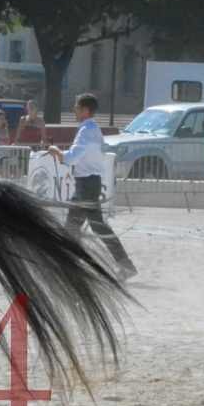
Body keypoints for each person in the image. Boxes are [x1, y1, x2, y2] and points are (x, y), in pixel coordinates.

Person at [47, 92, 136, 279]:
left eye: (77, 107)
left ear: (85, 110)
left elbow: (73, 157)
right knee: (76, 227)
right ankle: (69, 265)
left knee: (89, 228)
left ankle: (122, 265)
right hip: (88, 183)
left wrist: (55, 151)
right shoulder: (93, 129)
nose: (74, 109)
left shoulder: (86, 131)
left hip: (85, 185)